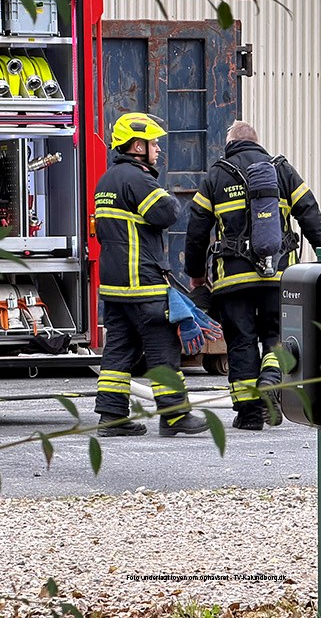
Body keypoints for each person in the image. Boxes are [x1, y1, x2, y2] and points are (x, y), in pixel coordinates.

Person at [183, 120, 321, 430]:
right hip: (280, 278)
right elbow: (310, 215)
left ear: (230, 145)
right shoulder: (282, 170)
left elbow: (196, 230)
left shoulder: (217, 175)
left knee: (241, 343)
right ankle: (271, 378)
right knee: (276, 336)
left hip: (232, 281)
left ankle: (250, 415)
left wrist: (196, 275)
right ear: (257, 142)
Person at [93, 112, 208, 438]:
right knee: (162, 348)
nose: (157, 148)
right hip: (142, 282)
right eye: (153, 143)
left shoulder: (108, 179)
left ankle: (111, 417)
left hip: (115, 287)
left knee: (117, 350)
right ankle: (174, 415)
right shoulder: (137, 178)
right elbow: (166, 212)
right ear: (136, 145)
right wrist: (169, 195)